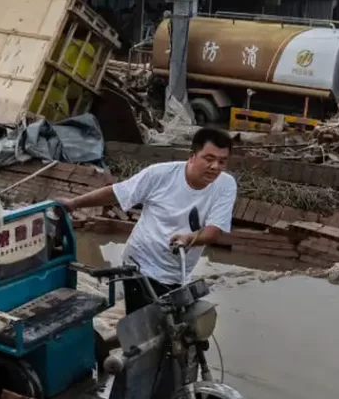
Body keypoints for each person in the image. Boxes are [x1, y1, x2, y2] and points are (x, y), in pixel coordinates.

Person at [61, 126, 237, 314]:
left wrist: (189, 238)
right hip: (140, 265)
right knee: (146, 329)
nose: (215, 167)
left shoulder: (225, 185)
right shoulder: (159, 175)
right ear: (192, 156)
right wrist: (73, 203)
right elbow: (117, 193)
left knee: (179, 329)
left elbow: (213, 231)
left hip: (179, 271)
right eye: (209, 159)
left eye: (222, 161)